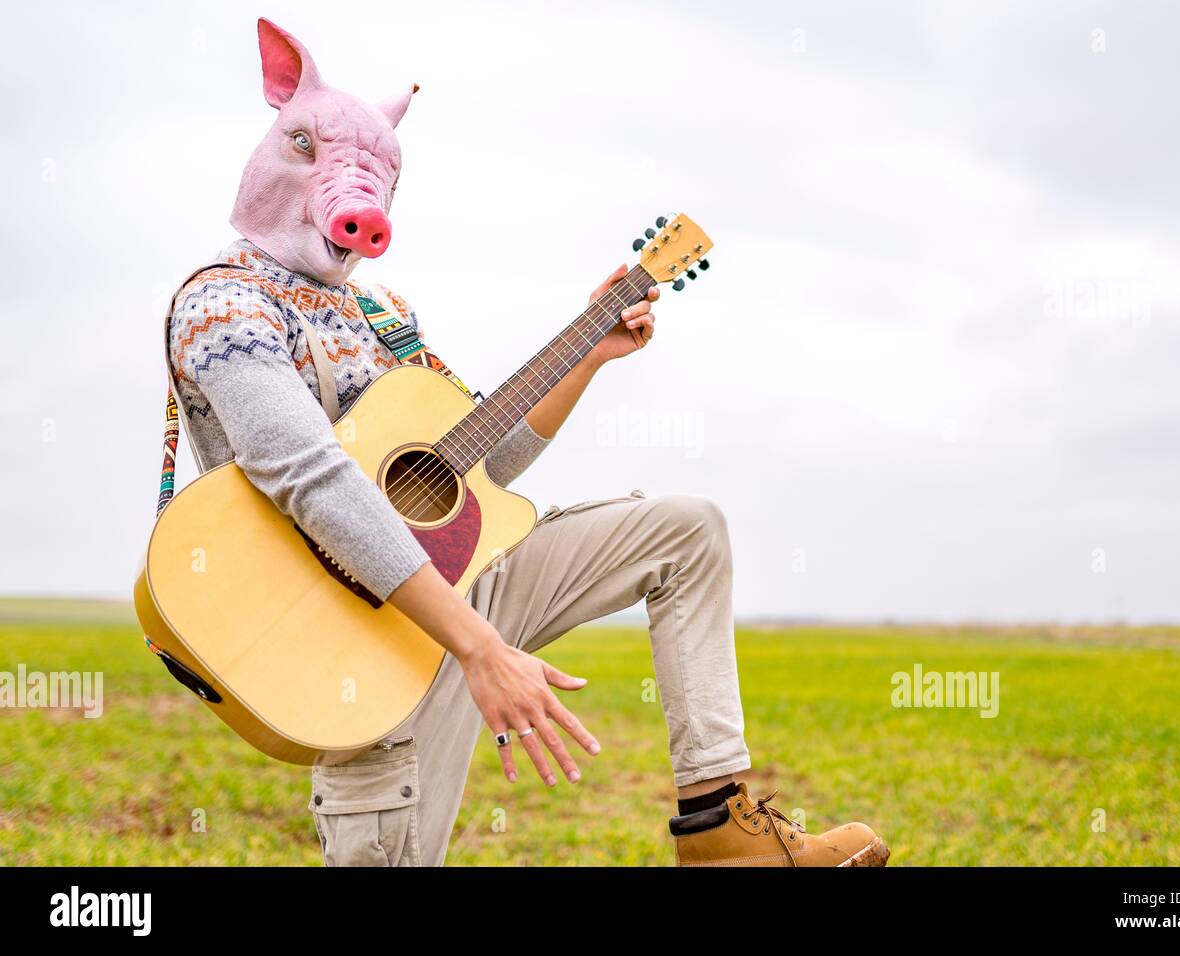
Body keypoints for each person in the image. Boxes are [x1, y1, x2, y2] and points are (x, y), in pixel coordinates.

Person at [165, 17, 890, 867]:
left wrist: (589, 350)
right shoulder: (221, 304)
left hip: (461, 592)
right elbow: (312, 479)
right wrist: (480, 651)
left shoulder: (382, 312)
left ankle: (720, 826)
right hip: (347, 636)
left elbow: (473, 469)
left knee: (688, 530)